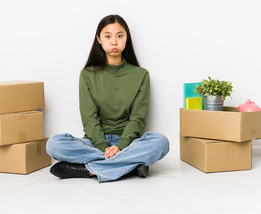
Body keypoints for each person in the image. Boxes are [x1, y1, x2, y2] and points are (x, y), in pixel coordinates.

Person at [46, 14, 169, 183]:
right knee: (54, 144)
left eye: (120, 36)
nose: (114, 42)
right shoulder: (87, 75)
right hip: (95, 142)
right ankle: (131, 165)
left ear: (127, 38)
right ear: (99, 39)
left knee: (161, 142)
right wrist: (105, 148)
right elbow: (89, 119)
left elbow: (138, 119)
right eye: (108, 36)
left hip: (129, 142)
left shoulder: (141, 75)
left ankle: (89, 170)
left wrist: (120, 146)